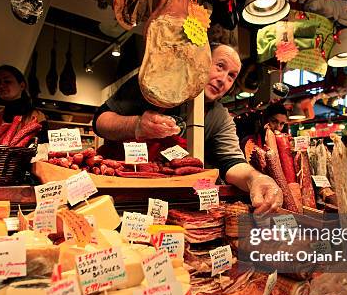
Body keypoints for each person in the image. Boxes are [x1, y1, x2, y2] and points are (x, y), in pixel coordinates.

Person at [93, 43, 283, 214]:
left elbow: (231, 162)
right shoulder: (154, 82)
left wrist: (256, 178)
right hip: (115, 190)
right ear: (201, 61)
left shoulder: (220, 118)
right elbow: (100, 121)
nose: (222, 79)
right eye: (220, 66)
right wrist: (136, 125)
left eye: (231, 76)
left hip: (169, 202)